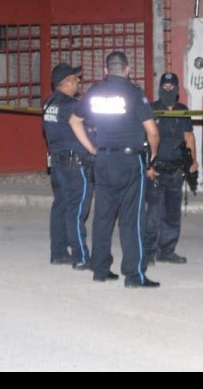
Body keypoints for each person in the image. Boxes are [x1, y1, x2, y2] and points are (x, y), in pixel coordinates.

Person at [70, 51, 161, 287]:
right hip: (130, 161)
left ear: (105, 70)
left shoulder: (95, 91)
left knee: (103, 216)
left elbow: (74, 120)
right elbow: (152, 131)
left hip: (103, 160)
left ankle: (100, 269)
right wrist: (153, 156)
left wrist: (92, 148)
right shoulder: (134, 92)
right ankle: (134, 275)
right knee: (132, 219)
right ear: (128, 69)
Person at [43, 62, 93, 270]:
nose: (78, 81)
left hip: (57, 164)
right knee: (76, 210)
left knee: (61, 207)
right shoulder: (72, 106)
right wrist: (93, 149)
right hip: (75, 166)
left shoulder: (49, 104)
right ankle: (81, 256)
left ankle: (58, 253)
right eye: (75, 78)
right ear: (65, 83)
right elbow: (87, 127)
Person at [144, 72, 196, 265]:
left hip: (176, 171)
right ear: (160, 88)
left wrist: (193, 161)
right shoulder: (151, 109)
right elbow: (144, 139)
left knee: (173, 215)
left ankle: (166, 251)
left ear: (176, 88)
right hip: (156, 171)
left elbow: (188, 136)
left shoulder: (183, 110)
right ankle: (148, 252)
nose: (168, 89)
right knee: (153, 215)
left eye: (171, 86)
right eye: (164, 86)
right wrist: (147, 166)